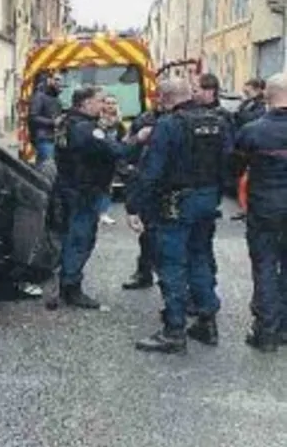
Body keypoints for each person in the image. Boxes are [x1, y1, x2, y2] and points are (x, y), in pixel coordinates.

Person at [132, 78, 233, 354]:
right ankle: (206, 321)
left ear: (164, 98)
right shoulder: (218, 121)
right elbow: (229, 161)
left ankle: (174, 330)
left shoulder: (168, 124)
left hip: (177, 201)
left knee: (172, 263)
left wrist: (134, 206)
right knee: (199, 256)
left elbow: (151, 170)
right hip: (207, 198)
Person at [54, 85, 135, 309]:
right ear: (86, 103)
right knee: (81, 239)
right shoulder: (86, 128)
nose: (103, 105)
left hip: (68, 185)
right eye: (99, 101)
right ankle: (71, 287)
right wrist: (137, 139)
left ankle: (66, 283)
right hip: (84, 190)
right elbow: (117, 151)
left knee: (71, 235)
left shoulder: (65, 120)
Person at [234, 72, 287, 352]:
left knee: (265, 266)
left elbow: (235, 166)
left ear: (266, 96)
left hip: (265, 207)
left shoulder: (253, 130)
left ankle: (266, 331)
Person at [122, 103, 164, 290]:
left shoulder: (184, 119)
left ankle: (178, 286)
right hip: (149, 184)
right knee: (148, 234)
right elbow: (129, 149)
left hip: (175, 185)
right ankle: (144, 272)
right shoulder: (145, 119)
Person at [231, 78, 267, 222]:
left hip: (252, 149)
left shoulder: (261, 105)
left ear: (257, 89)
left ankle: (248, 210)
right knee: (241, 181)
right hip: (243, 147)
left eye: (248, 89)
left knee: (248, 181)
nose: (245, 91)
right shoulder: (247, 103)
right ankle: (244, 208)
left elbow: (251, 118)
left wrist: (239, 114)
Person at [96, 95, 125, 226]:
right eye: (108, 103)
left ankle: (104, 213)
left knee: (108, 186)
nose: (110, 106)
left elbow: (122, 139)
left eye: (113, 103)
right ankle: (96, 212)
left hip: (112, 158)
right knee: (97, 186)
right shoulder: (97, 121)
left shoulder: (119, 123)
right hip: (98, 157)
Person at [29, 72, 64, 166]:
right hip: (43, 138)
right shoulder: (39, 96)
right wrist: (53, 122)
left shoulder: (56, 98)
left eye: (61, 80)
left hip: (53, 139)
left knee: (43, 168)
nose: (60, 83)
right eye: (57, 79)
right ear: (49, 80)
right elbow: (33, 117)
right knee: (47, 166)